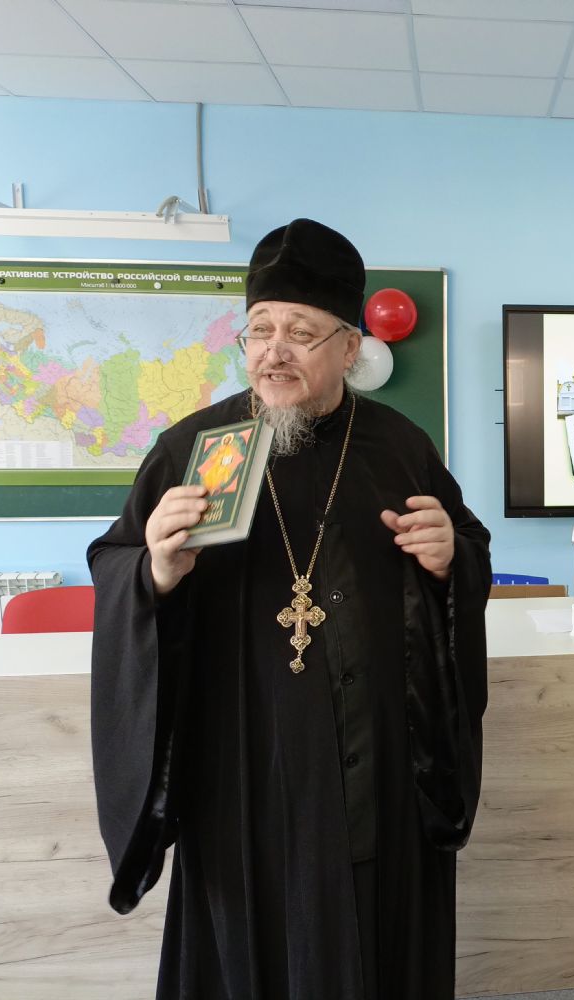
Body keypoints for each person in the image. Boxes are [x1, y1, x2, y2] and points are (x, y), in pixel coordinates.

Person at [88, 218, 492, 1000]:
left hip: (375, 759)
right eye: (259, 330)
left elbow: (466, 545)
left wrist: (450, 558)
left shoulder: (400, 446)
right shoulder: (191, 448)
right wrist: (156, 570)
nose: (273, 351)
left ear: (350, 347)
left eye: (300, 333)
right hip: (239, 762)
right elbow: (114, 564)